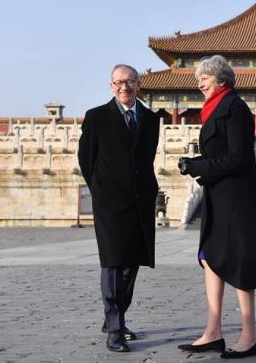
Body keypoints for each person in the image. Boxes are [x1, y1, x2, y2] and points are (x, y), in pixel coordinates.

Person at [176, 55, 256, 358]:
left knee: (239, 261)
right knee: (210, 258)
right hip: (217, 195)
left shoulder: (235, 108)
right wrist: (196, 164)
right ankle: (213, 331)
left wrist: (197, 165)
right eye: (198, 80)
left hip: (237, 198)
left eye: (204, 78)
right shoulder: (213, 109)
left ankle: (250, 336)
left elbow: (238, 158)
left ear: (220, 78)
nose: (199, 84)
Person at [78, 64, 160, 352]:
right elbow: (86, 159)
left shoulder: (150, 119)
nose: (124, 87)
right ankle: (114, 329)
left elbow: (146, 159)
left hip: (140, 201)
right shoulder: (96, 117)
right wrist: (101, 192)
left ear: (138, 84)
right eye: (118, 82)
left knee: (132, 262)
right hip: (110, 204)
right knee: (113, 262)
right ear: (111, 86)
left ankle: (115, 317)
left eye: (129, 81)